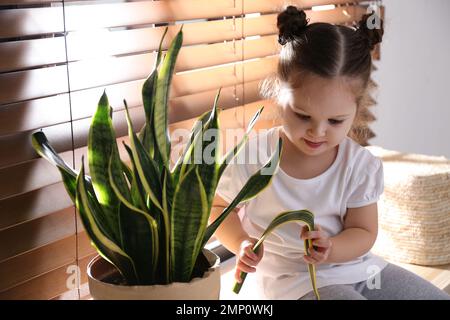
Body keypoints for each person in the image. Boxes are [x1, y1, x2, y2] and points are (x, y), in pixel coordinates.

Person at [209, 5, 450, 300]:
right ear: (278, 95)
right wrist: (241, 242)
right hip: (293, 282)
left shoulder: (359, 165)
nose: (317, 132)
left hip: (361, 270)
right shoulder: (255, 154)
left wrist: (333, 248)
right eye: (302, 115)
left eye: (335, 121)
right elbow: (219, 208)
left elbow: (363, 232)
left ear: (356, 112)